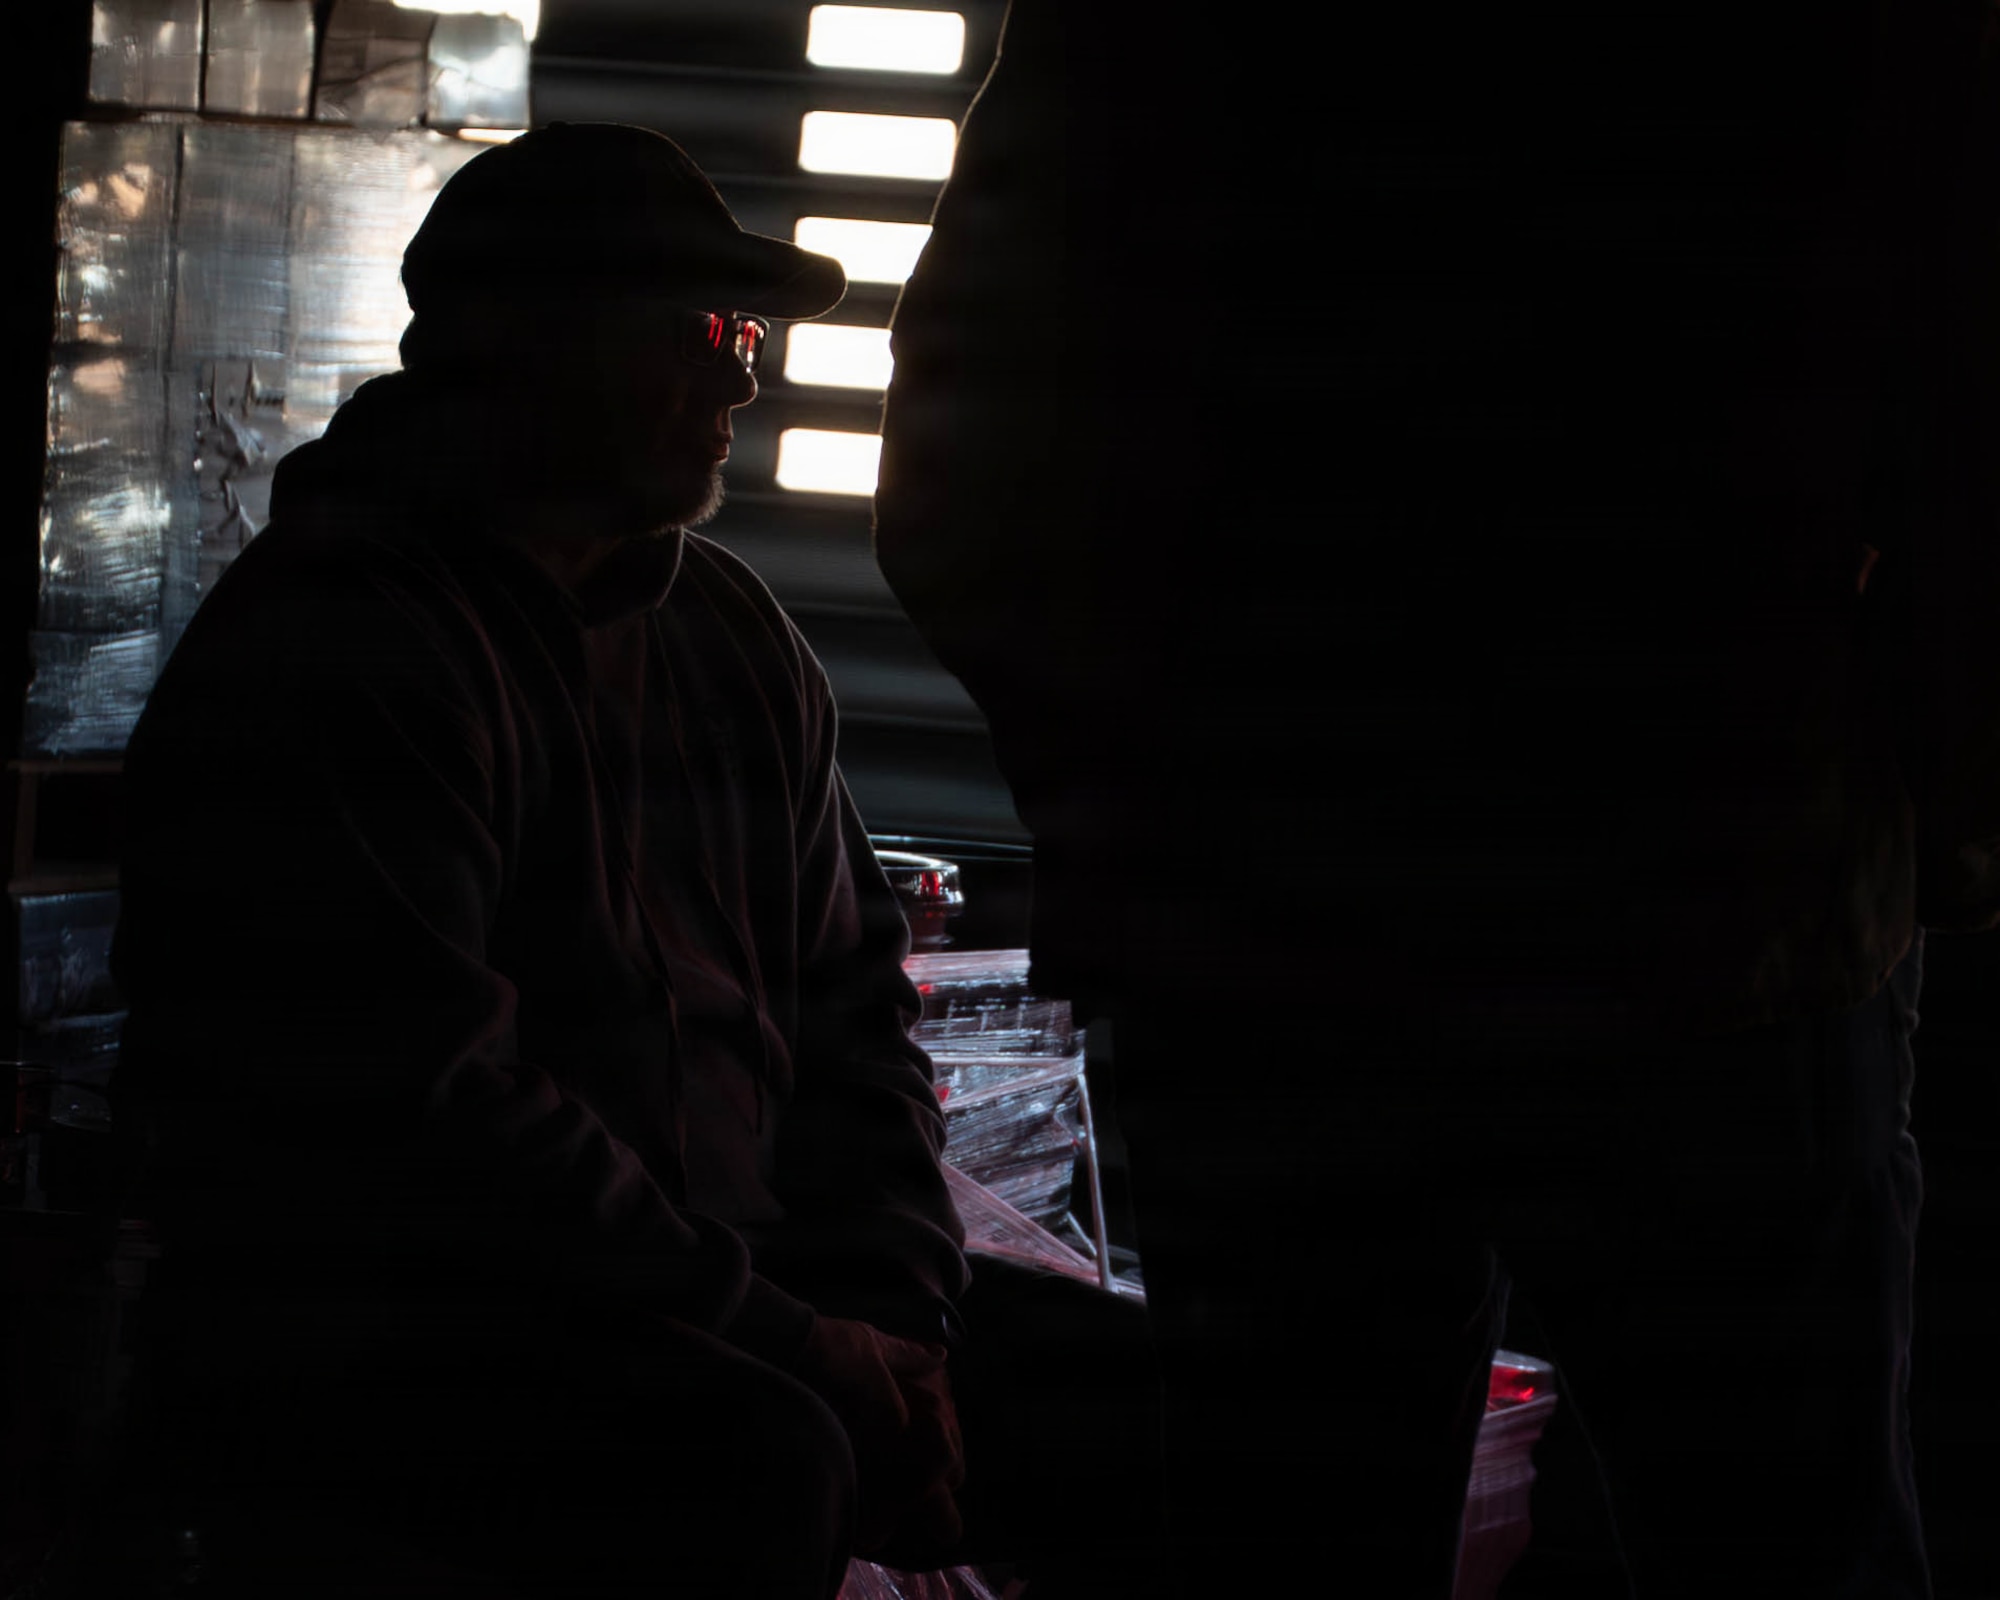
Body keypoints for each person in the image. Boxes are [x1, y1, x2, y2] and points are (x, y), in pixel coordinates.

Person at [875, 4, 2000, 1595]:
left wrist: (1153, 813)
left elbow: (954, 488)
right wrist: (1911, 845)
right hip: (1720, 939)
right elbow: (1967, 445)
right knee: (1783, 1536)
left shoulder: (1157, 48)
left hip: (1274, 956)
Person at [107, 121, 1163, 1598]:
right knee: (764, 1452)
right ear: (525, 344)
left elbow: (859, 1015)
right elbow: (438, 1120)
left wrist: (895, 1326)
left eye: (749, 336)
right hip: (415, 1329)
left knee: (1138, 1408)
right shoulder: (348, 638)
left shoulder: (729, 636)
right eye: (705, 328)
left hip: (720, 1300)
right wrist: (804, 1347)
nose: (744, 376)